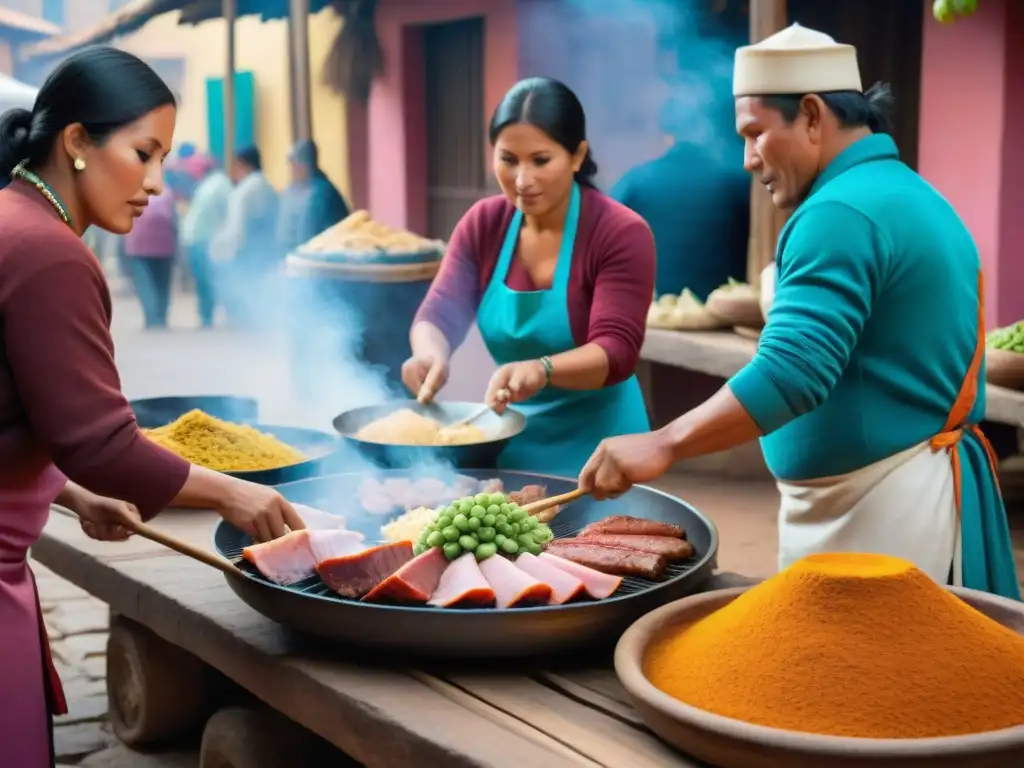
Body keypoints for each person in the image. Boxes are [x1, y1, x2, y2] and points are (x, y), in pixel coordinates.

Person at [578, 24, 1020, 600]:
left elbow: (793, 372)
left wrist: (663, 441)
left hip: (887, 514)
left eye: (756, 134)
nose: (746, 159)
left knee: (869, 683)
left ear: (812, 116)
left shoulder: (841, 212)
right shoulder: (895, 192)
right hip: (874, 501)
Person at [0, 47, 304, 768]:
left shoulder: (13, 220)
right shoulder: (48, 252)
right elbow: (102, 442)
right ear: (76, 142)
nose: (158, 183)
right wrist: (233, 493)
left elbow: (23, 418)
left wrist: (69, 493)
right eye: (144, 153)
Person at [404, 77, 655, 476]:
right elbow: (437, 314)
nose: (522, 180)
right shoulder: (484, 224)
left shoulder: (619, 232)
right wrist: (428, 354)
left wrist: (542, 369)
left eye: (540, 160)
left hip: (605, 450)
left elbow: (617, 349)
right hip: (511, 444)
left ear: (577, 156)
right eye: (508, 159)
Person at [611, 97, 750, 300]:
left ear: (667, 135)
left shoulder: (638, 180)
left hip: (657, 313)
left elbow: (597, 229)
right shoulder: (735, 179)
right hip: (725, 314)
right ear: (708, 132)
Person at [210, 146, 278, 327]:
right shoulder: (267, 186)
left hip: (243, 251)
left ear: (243, 165)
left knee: (244, 296)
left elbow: (235, 227)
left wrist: (221, 251)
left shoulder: (244, 191)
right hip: (264, 251)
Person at [181, 153, 232, 328]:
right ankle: (206, 316)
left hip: (206, 241)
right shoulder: (209, 184)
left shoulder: (219, 184)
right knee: (203, 280)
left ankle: (209, 316)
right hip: (199, 240)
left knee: (207, 280)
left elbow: (227, 215)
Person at [276, 139, 350, 255]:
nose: (293, 170)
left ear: (305, 166)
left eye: (295, 165)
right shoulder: (297, 189)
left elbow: (308, 235)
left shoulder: (321, 193)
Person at [123, 186, 178, 329]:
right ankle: (161, 318)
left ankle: (151, 319)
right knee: (163, 284)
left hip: (138, 246)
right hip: (165, 245)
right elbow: (175, 221)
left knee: (145, 284)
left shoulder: (132, 192)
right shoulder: (167, 193)